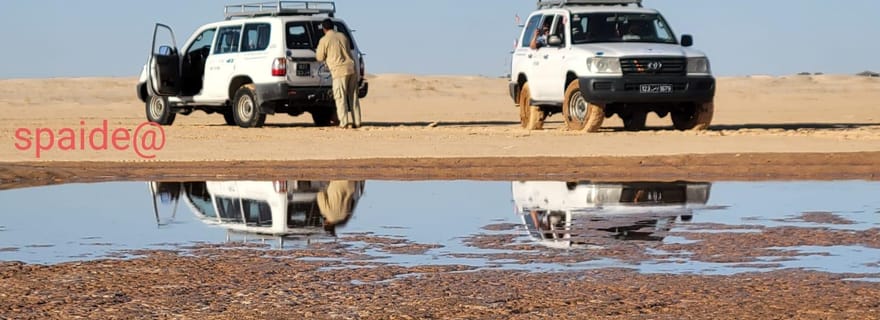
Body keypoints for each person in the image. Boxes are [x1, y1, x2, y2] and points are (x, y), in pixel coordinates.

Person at [316, 19, 362, 129]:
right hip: (351, 68)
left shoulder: (325, 40)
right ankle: (357, 121)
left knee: (340, 96)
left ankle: (344, 122)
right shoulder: (343, 36)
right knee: (353, 97)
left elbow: (319, 57)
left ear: (324, 29)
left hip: (339, 71)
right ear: (333, 27)